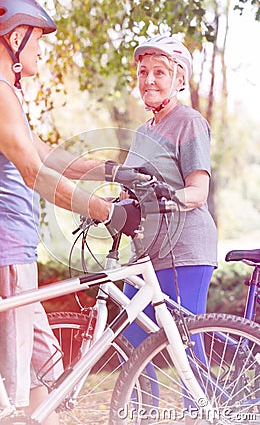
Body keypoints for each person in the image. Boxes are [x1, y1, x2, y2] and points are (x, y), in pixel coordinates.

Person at [0, 0, 142, 424]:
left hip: (10, 250)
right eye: (38, 38)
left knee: (46, 372)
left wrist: (112, 172)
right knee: (8, 396)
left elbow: (44, 154)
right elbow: (33, 173)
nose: (41, 48)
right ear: (16, 36)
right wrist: (104, 210)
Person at [121, 35, 218, 425]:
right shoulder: (143, 131)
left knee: (186, 344)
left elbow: (198, 190)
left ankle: (202, 417)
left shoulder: (190, 122)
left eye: (159, 72)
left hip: (186, 248)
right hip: (146, 253)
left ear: (179, 79)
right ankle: (145, 415)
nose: (149, 79)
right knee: (129, 336)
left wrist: (168, 198)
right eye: (143, 72)